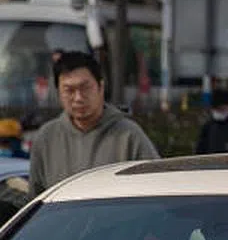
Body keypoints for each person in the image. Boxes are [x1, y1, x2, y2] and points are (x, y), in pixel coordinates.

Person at [28, 51, 158, 198]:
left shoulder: (128, 135)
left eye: (85, 88)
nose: (78, 98)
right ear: (59, 92)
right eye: (69, 90)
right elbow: (36, 199)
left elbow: (155, 190)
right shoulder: (47, 138)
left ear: (100, 87)